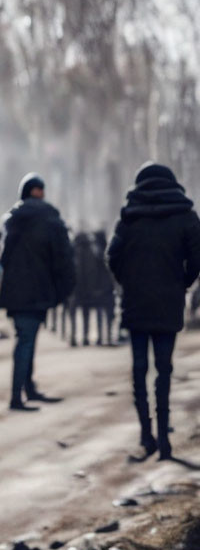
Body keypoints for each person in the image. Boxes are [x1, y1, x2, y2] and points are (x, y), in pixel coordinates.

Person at [106, 162, 200, 460]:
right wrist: (182, 282)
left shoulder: (129, 218)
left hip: (136, 302)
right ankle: (164, 438)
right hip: (168, 302)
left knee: (138, 370)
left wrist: (128, 282)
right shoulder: (186, 218)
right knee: (164, 370)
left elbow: (112, 257)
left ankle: (146, 435)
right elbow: (197, 259)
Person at [0, 173, 75, 410]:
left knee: (25, 339)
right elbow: (63, 258)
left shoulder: (14, 220)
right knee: (27, 341)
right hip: (40, 290)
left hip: (15, 293)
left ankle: (27, 389)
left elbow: (3, 258)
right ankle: (16, 397)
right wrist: (63, 289)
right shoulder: (51, 220)